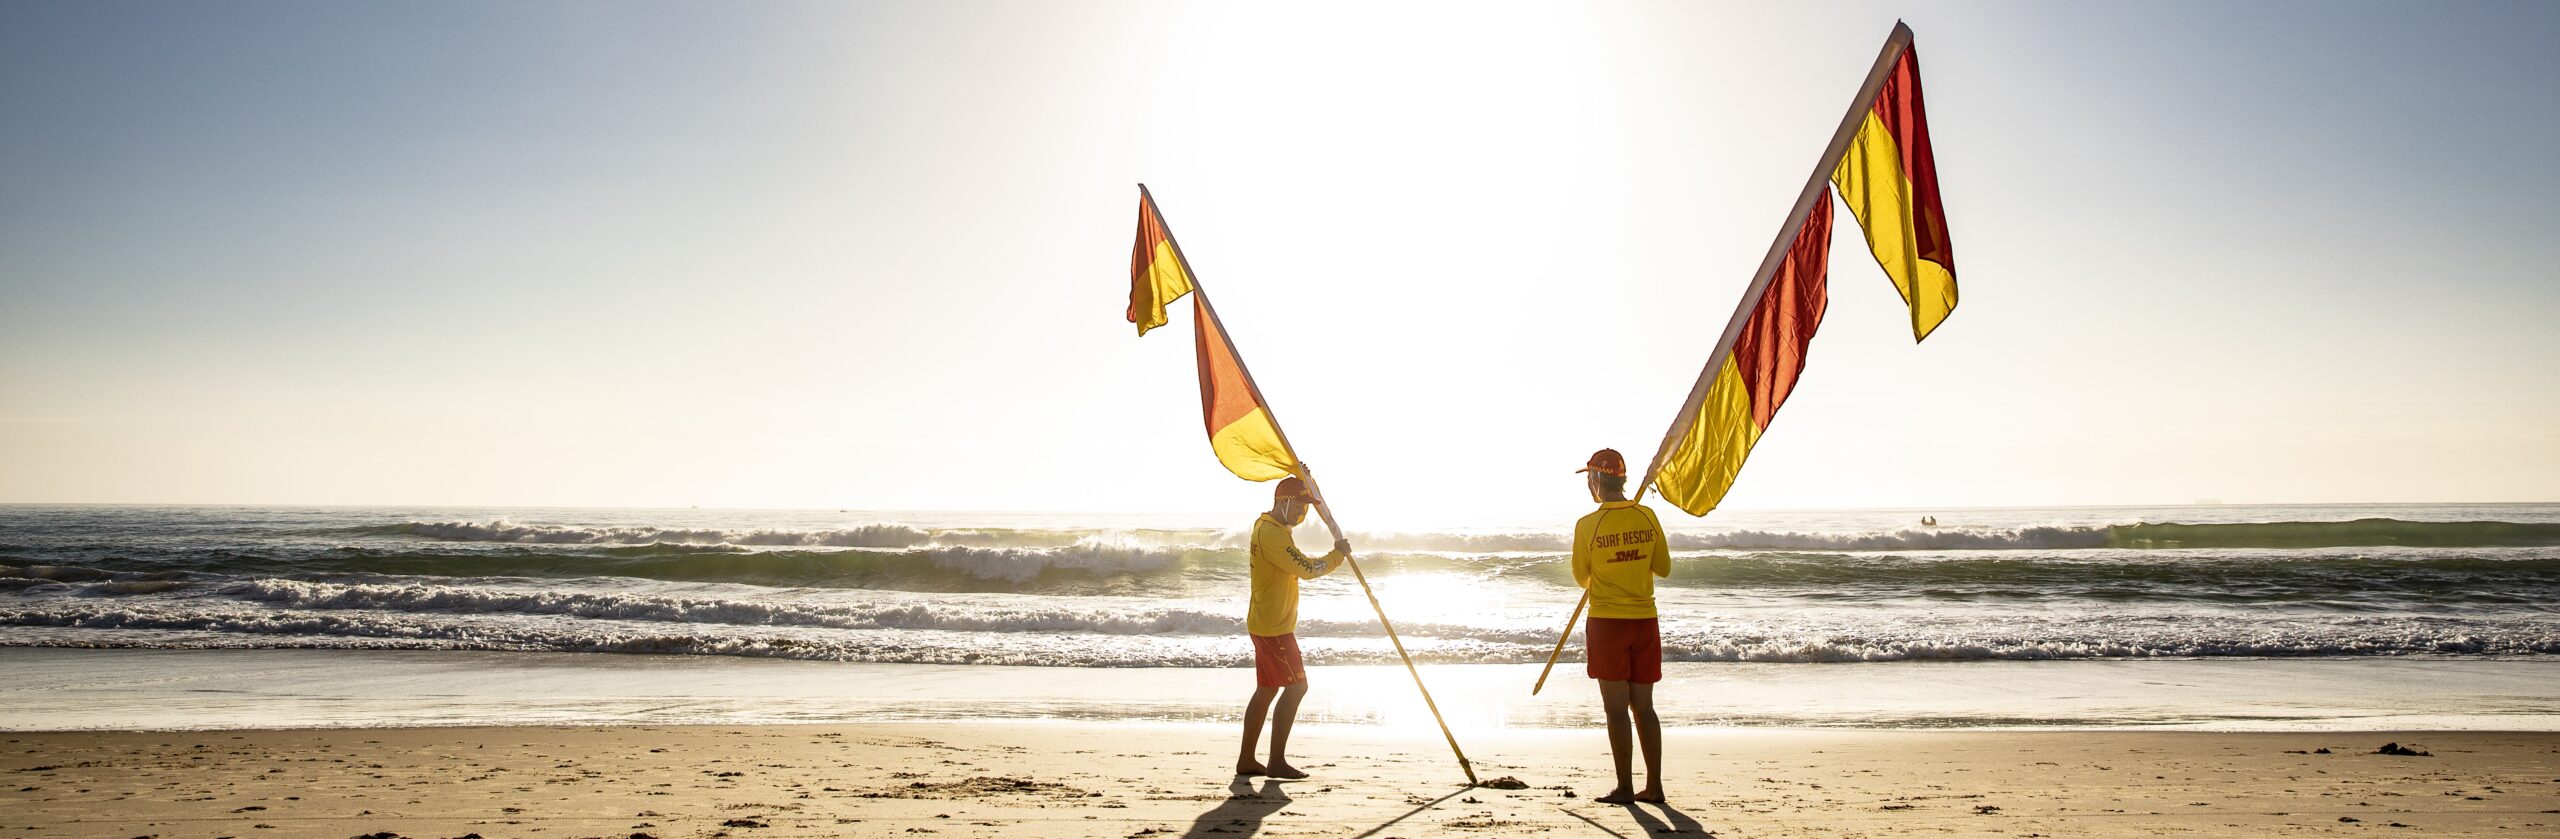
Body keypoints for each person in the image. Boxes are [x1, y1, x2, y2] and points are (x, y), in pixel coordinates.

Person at [1570, 448, 1670, 804]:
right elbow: (1663, 568)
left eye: (1589, 479)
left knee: (1616, 708)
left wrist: (1609, 563)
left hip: (1608, 624)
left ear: (1597, 479)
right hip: (1645, 622)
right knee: (1644, 707)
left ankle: (1626, 787)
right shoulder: (1647, 516)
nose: (1588, 486)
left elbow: (1582, 576)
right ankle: (1654, 786)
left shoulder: (1587, 524)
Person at [1236, 474, 1351, 779]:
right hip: (1274, 628)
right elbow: (1306, 569)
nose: (1303, 514)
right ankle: (1276, 762)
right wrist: (1338, 556)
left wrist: (1305, 476)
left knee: (1267, 689)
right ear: (1283, 502)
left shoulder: (1272, 527)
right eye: (1299, 506)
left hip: (1267, 621)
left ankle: (1247, 759)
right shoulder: (1271, 534)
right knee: (1297, 687)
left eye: (1307, 508)